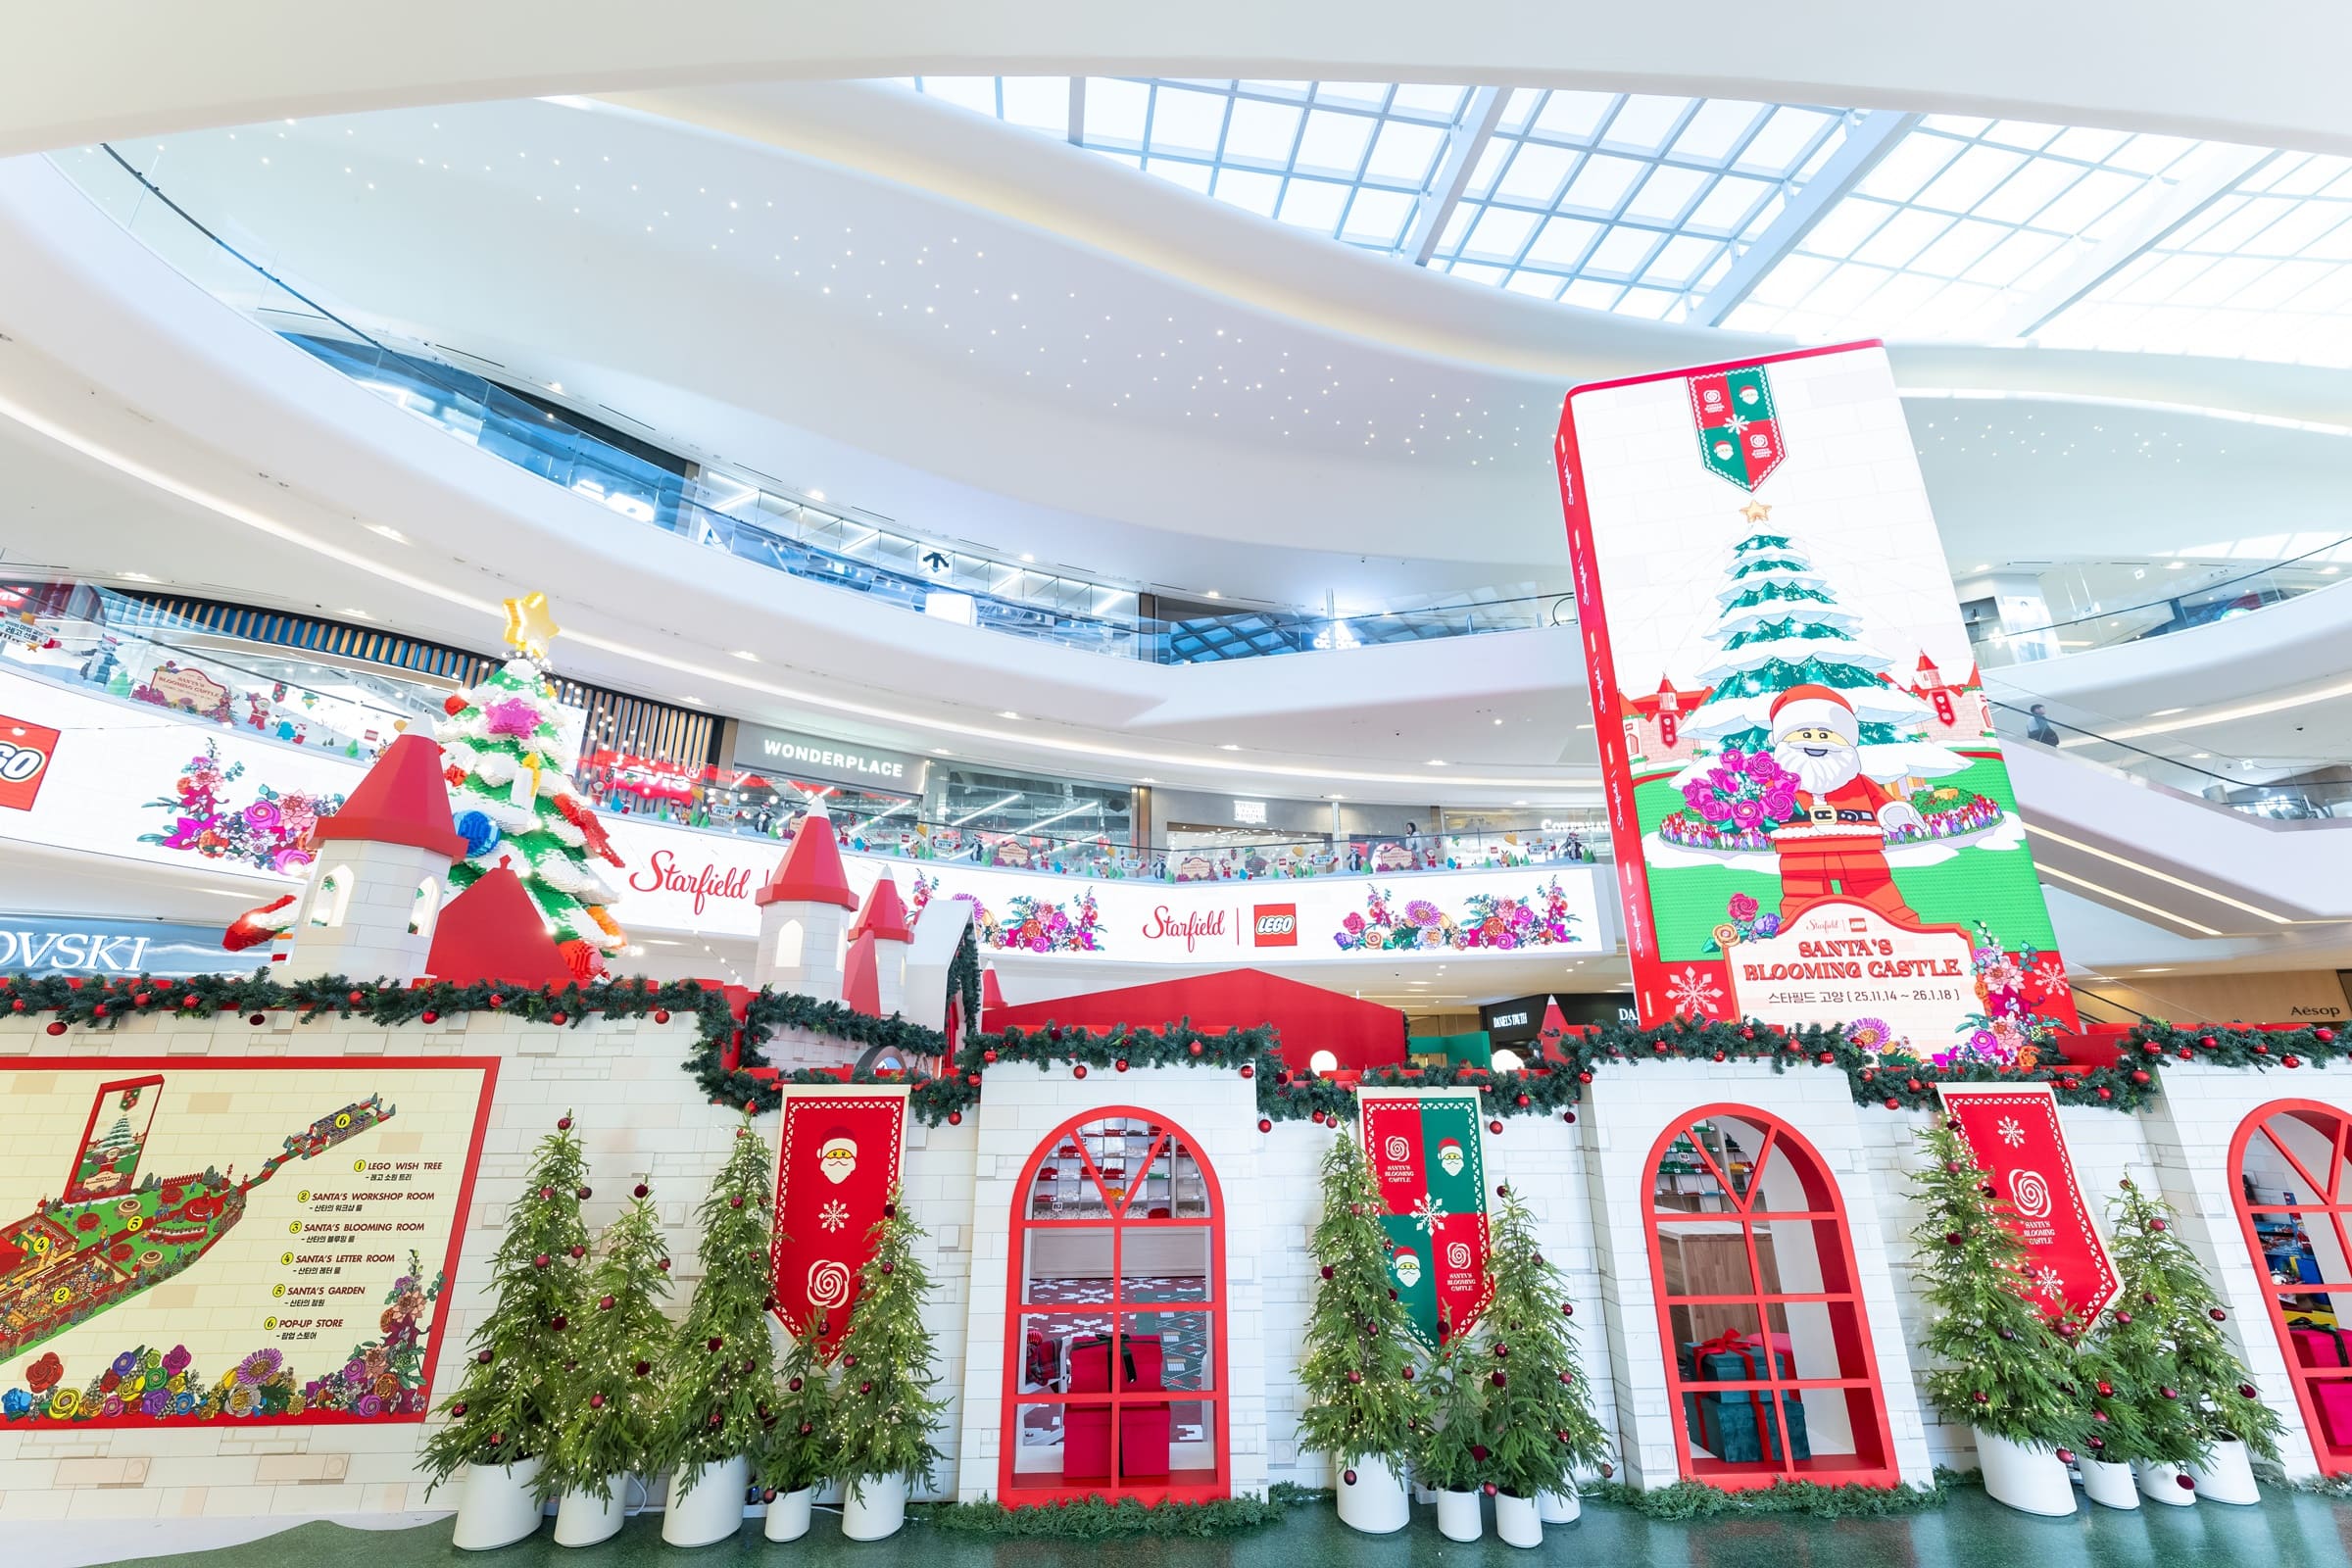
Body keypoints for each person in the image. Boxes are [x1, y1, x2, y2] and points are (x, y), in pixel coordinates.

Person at [1764, 684, 1926, 924]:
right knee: (1803, 892)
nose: (1816, 742)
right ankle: (1802, 927)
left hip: (1859, 847)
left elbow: (1880, 801)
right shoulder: (1777, 784)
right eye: (1805, 734)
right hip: (1801, 851)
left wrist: (1891, 812)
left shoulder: (1856, 781)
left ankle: (1898, 923)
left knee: (1875, 887)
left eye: (1826, 734)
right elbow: (1761, 807)